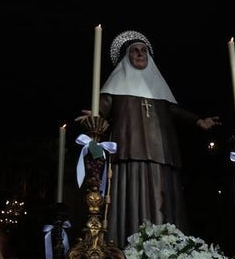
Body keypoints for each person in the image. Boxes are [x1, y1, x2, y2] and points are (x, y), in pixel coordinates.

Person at [85, 30, 221, 246]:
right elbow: (103, 106)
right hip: (129, 147)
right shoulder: (117, 84)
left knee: (161, 191)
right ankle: (124, 243)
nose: (140, 54)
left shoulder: (157, 87)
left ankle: (167, 246)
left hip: (161, 149)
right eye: (135, 51)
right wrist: (94, 114)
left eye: (144, 51)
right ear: (126, 57)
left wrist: (198, 121)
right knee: (131, 189)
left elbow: (174, 110)